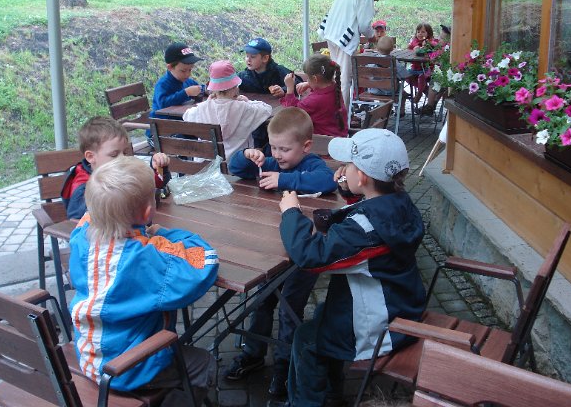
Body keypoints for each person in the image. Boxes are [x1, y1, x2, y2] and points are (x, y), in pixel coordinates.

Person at [273, 129, 426, 407]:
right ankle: (332, 393)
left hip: (383, 326)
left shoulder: (366, 230)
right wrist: (348, 190)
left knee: (306, 339)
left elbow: (311, 257)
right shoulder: (400, 204)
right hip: (402, 304)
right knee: (323, 314)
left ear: (363, 176)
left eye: (349, 165)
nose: (342, 169)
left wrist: (291, 213)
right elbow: (367, 212)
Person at [69, 156, 219, 405]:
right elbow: (204, 261)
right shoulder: (144, 258)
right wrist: (164, 234)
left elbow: (89, 218)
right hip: (128, 369)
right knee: (204, 363)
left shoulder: (81, 237)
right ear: (148, 212)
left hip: (89, 354)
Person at [225, 107, 336, 401]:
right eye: (273, 147)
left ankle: (285, 366)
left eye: (284, 149)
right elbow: (237, 169)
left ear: (306, 146)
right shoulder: (272, 161)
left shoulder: (312, 165)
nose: (277, 154)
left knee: (289, 309)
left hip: (304, 252)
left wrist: (284, 181)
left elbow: (327, 182)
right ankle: (253, 353)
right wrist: (247, 156)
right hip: (271, 250)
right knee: (261, 301)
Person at [61, 116, 171, 220]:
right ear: (91, 157)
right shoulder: (83, 189)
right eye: (114, 155)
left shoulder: (121, 170)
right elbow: (77, 223)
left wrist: (158, 168)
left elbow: (153, 185)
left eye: (125, 152)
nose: (122, 158)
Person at [317, 0, 389, 108]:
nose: (377, 0)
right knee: (344, 79)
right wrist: (372, 36)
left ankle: (333, 108)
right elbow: (364, 25)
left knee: (337, 75)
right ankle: (342, 113)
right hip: (344, 38)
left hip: (331, 33)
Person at [183, 60, 273, 159]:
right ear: (235, 87)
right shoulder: (244, 108)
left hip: (207, 165)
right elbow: (267, 109)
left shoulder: (201, 110)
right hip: (236, 164)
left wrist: (206, 103)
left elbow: (186, 115)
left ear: (213, 89)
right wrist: (248, 101)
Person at [238, 38, 302, 149]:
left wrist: (284, 90)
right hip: (255, 117)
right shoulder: (244, 76)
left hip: (278, 119)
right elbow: (227, 86)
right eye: (247, 56)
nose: (248, 59)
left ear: (265, 58)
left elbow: (298, 83)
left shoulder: (278, 70)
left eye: (253, 56)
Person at [281, 54, 348, 138]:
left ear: (315, 79)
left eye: (308, 78)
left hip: (322, 141)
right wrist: (309, 84)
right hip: (339, 137)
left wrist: (290, 88)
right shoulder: (335, 87)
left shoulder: (315, 100)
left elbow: (291, 114)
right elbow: (322, 85)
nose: (307, 80)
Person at [148, 42, 205, 135]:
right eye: (183, 71)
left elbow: (199, 88)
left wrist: (206, 90)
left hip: (180, 126)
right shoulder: (163, 84)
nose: (188, 74)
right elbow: (163, 104)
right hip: (161, 131)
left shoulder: (187, 81)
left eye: (190, 70)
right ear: (170, 67)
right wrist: (186, 93)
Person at [419, 24, 451, 115]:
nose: (439, 39)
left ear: (449, 41)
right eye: (439, 37)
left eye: (442, 38)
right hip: (445, 77)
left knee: (435, 81)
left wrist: (430, 55)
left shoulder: (445, 50)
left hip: (445, 78)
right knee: (438, 82)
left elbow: (433, 58)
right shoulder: (446, 48)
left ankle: (430, 105)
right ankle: (434, 102)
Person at [407, 23, 439, 106]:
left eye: (423, 32)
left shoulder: (431, 41)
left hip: (427, 69)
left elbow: (436, 46)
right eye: (418, 32)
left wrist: (428, 44)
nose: (420, 34)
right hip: (415, 68)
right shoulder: (415, 41)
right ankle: (425, 90)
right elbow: (411, 48)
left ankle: (419, 93)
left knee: (422, 77)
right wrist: (414, 48)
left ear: (429, 33)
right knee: (406, 76)